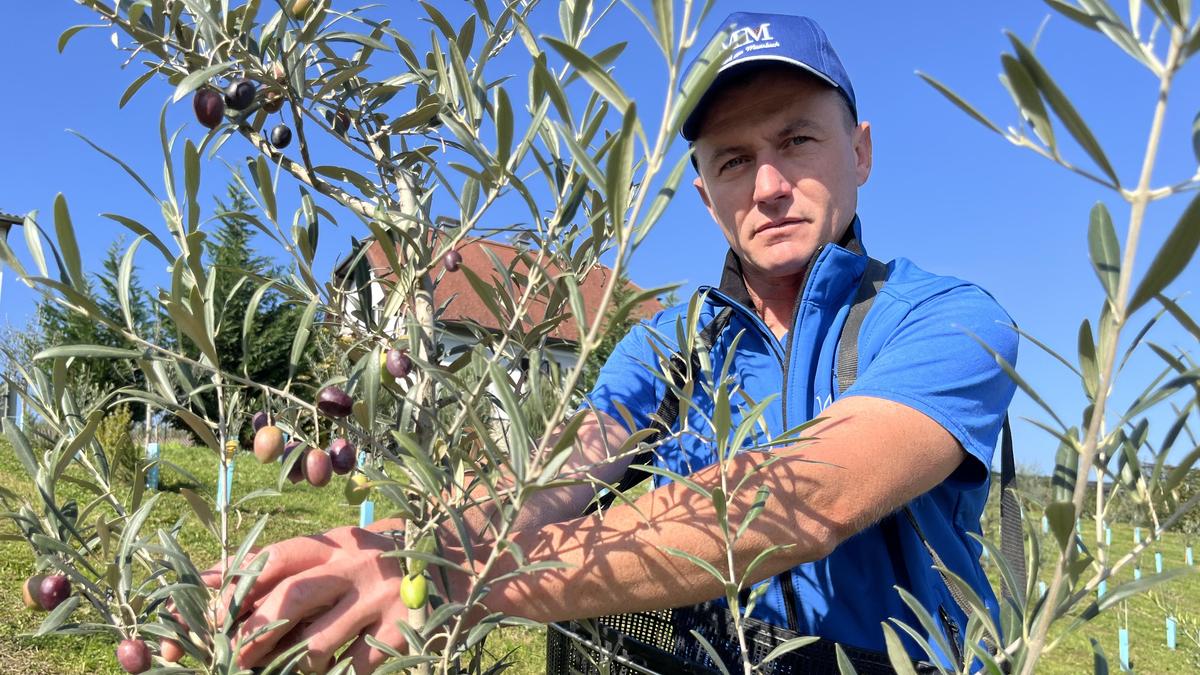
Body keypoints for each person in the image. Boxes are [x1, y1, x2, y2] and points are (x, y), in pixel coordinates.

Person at [203, 11, 1018, 673]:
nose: (768, 185)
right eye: (734, 159)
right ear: (706, 197)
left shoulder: (946, 321)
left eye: (797, 140)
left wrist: (462, 580)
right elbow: (554, 478)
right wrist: (399, 548)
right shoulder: (671, 345)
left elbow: (809, 498)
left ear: (861, 151)